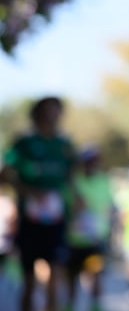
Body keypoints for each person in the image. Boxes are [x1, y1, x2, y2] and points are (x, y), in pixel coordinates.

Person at [1, 96, 76, 311]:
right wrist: (29, 192)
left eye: (56, 110)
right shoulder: (24, 143)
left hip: (57, 221)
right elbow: (5, 175)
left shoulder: (64, 145)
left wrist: (77, 199)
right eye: (47, 110)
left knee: (55, 278)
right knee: (29, 282)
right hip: (30, 220)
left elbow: (71, 178)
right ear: (37, 113)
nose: (52, 115)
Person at [66, 146, 116, 311]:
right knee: (71, 277)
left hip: (95, 239)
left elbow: (107, 207)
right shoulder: (74, 180)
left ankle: (95, 307)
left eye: (95, 160)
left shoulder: (103, 181)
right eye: (89, 161)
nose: (92, 164)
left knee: (95, 276)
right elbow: (69, 205)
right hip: (74, 239)